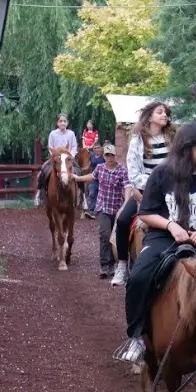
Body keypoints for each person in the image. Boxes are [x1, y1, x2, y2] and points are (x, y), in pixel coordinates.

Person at [116, 123, 196, 364]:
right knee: (138, 277)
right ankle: (136, 337)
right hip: (163, 238)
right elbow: (146, 213)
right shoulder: (161, 174)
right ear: (187, 147)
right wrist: (171, 225)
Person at [112, 101, 176, 287]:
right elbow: (133, 173)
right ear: (149, 116)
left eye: (166, 113)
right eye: (160, 112)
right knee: (123, 220)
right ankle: (122, 265)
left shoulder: (172, 139)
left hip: (172, 192)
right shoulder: (138, 140)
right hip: (144, 192)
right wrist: (154, 184)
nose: (165, 115)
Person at [74, 145, 131, 278]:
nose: (110, 158)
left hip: (117, 209)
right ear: (104, 156)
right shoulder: (100, 168)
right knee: (104, 236)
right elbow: (91, 176)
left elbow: (128, 186)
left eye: (112, 155)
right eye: (107, 155)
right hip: (104, 208)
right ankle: (105, 266)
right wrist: (77, 178)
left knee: (116, 238)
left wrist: (126, 205)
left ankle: (115, 264)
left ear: (115, 156)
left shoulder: (122, 171)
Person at [35, 114, 79, 206]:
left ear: (67, 123)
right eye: (61, 121)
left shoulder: (71, 134)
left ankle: (82, 196)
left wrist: (71, 157)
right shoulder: (53, 134)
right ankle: (39, 194)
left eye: (64, 121)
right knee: (43, 170)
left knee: (79, 170)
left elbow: (74, 146)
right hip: (56, 159)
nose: (63, 123)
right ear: (57, 123)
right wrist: (55, 157)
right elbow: (50, 146)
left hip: (68, 159)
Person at [85, 144, 105, 219]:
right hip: (93, 178)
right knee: (92, 193)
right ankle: (91, 211)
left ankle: (99, 211)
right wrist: (84, 169)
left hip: (102, 179)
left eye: (98, 148)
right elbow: (89, 165)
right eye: (95, 148)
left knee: (101, 194)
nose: (96, 149)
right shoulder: (92, 156)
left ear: (101, 149)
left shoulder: (103, 157)